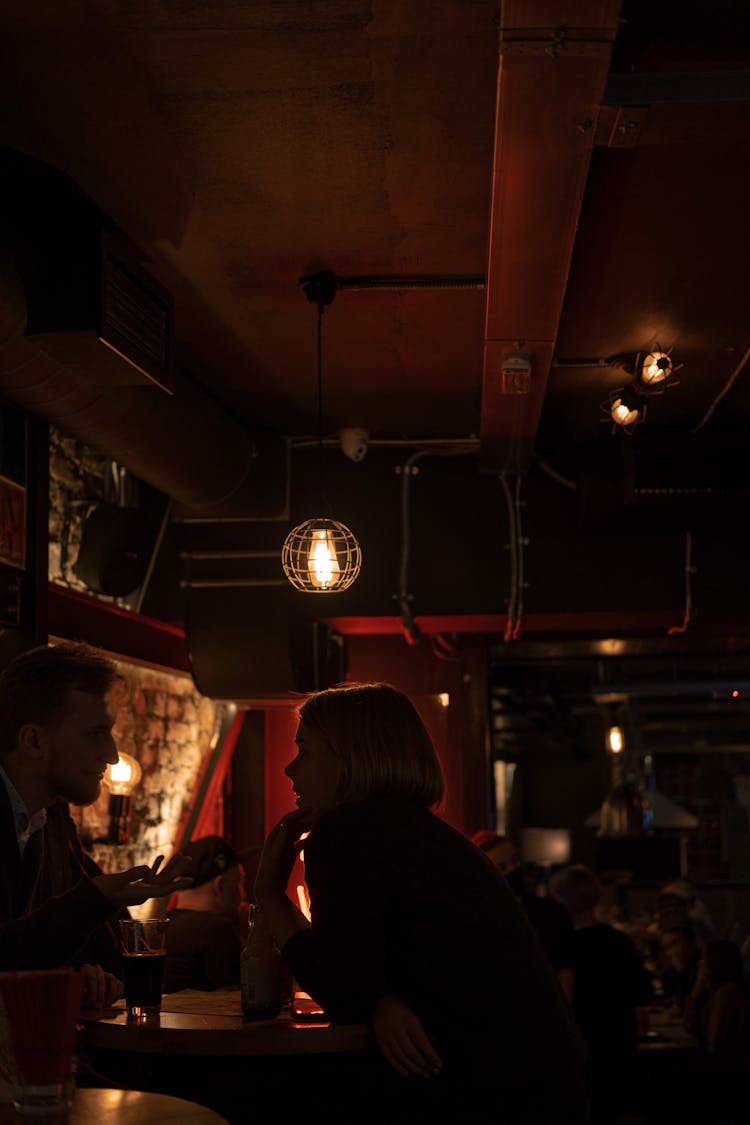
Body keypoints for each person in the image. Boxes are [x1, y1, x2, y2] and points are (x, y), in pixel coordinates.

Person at [255, 682, 588, 1124]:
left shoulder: (347, 834)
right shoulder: (421, 831)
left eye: (306, 750)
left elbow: (343, 988)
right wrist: (382, 999)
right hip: (540, 1080)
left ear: (351, 757)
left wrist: (268, 892)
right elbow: (382, 970)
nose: (289, 769)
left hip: (488, 1092)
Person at [0, 641, 193, 1006]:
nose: (112, 754)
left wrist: (76, 977)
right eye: (94, 733)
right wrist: (96, 898)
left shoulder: (43, 819)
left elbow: (20, 953)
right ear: (34, 741)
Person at [549, 863, 653, 1125]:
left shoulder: (562, 949)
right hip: (618, 1047)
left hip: (582, 1049)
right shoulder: (618, 942)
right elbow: (643, 992)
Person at [471, 829, 575, 1000]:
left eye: (515, 861)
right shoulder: (480, 921)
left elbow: (565, 975)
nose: (512, 870)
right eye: (502, 867)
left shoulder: (551, 913)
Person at [164, 835, 245, 992]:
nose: (243, 895)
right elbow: (241, 1004)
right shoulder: (218, 930)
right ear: (220, 887)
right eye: (240, 883)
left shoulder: (161, 928)